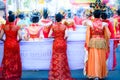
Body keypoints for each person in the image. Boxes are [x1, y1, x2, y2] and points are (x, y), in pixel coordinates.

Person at [84, 10, 111, 80]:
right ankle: (100, 74)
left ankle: (93, 74)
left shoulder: (90, 23)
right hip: (101, 42)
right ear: (100, 16)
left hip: (93, 42)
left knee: (93, 58)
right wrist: (106, 42)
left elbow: (87, 35)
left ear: (93, 15)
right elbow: (108, 35)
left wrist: (87, 43)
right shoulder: (104, 24)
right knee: (101, 58)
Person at [48, 13, 73, 80]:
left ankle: (56, 76)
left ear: (55, 19)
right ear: (61, 19)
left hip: (56, 43)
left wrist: (55, 37)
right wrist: (62, 39)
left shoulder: (53, 26)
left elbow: (49, 35)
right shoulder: (64, 27)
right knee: (62, 58)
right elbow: (66, 36)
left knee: (56, 58)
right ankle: (62, 75)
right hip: (62, 43)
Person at [0, 12, 22, 80]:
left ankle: (7, 74)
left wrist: (4, 41)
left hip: (7, 44)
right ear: (14, 19)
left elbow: (0, 37)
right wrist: (17, 41)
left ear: (8, 19)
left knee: (7, 59)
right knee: (15, 59)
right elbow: (20, 37)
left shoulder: (4, 27)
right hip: (15, 44)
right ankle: (14, 74)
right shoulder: (17, 27)